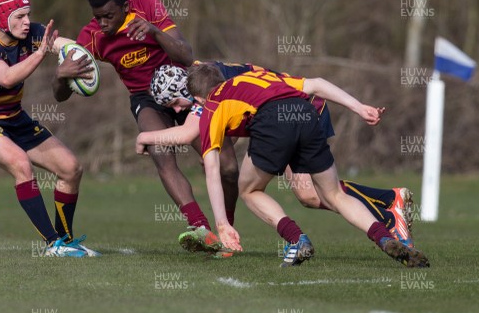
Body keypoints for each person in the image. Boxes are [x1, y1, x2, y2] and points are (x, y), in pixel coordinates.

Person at [137, 62, 415, 249]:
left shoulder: (207, 96)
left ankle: (387, 207)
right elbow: (314, 82)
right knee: (309, 195)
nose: (175, 110)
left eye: (175, 102)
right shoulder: (208, 75)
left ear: (188, 92)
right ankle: (389, 203)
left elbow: (187, 135)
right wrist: (358, 107)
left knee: (302, 191)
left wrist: (143, 137)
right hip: (294, 110)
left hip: (296, 112)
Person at [52, 0, 226, 253]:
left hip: (181, 87)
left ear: (125, 5)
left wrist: (154, 31)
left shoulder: (148, 7)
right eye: (98, 17)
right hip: (144, 97)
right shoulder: (93, 37)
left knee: (224, 162)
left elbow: (186, 54)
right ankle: (200, 228)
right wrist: (61, 76)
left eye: (109, 15)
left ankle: (228, 228)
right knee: (159, 150)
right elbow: (60, 96)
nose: (103, 23)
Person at [0, 0, 99, 257]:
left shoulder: (33, 33)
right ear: (2, 19)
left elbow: (70, 48)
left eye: (29, 15)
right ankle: (52, 244)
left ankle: (66, 240)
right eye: (20, 16)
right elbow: (7, 78)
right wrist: (42, 52)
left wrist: (78, 58)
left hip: (15, 118)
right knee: (21, 165)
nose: (27, 21)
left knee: (71, 168)